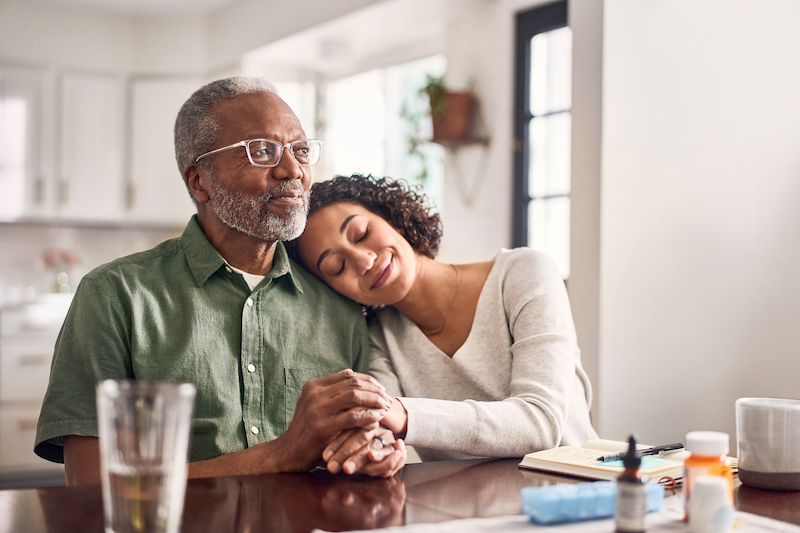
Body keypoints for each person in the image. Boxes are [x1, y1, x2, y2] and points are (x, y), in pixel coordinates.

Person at [34, 78, 405, 485]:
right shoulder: (114, 296)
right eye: (263, 151)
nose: (292, 171)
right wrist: (281, 455)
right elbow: (89, 484)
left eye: (300, 150)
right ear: (199, 181)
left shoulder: (338, 307)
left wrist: (375, 451)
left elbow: (361, 442)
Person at [292, 174, 598, 469]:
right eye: (337, 267)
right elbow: (381, 427)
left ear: (391, 216)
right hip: (470, 515)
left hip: (577, 502)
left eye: (361, 234)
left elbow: (540, 424)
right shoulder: (379, 338)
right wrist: (372, 451)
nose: (364, 261)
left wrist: (404, 414)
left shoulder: (524, 273)